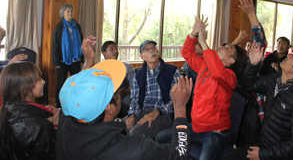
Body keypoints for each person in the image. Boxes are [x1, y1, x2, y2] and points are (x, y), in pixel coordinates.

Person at [56, 45, 192, 160]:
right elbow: (180, 154)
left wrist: (89, 61)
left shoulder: (64, 125)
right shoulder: (137, 148)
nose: (120, 94)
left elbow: (75, 94)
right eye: (115, 93)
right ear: (109, 108)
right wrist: (180, 107)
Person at [229, 44, 293, 160]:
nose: (288, 55)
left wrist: (263, 154)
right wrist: (253, 64)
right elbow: (249, 85)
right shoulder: (276, 79)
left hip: (278, 155)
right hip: (264, 145)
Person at [181, 16, 248, 160]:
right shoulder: (204, 65)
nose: (222, 46)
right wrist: (193, 34)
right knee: (162, 137)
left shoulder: (230, 77)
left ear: (231, 60)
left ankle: (226, 148)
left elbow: (218, 73)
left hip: (215, 133)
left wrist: (203, 42)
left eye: (227, 47)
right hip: (196, 128)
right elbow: (187, 53)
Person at [0, 62, 59, 160]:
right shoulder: (38, 126)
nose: (43, 82)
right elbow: (50, 154)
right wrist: (55, 127)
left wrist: (43, 114)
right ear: (25, 87)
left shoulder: (7, 107)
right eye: (39, 79)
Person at [125, 40, 181, 138]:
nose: (152, 51)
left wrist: (157, 111)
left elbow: (177, 100)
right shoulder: (138, 75)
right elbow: (135, 99)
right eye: (147, 49)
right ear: (142, 57)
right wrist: (132, 115)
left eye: (153, 48)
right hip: (143, 112)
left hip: (164, 114)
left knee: (135, 133)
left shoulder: (171, 71)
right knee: (120, 128)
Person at [52, 4, 83, 108]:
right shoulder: (59, 27)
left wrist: (82, 59)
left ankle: (76, 103)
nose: (70, 13)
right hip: (62, 61)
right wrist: (56, 62)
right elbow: (55, 45)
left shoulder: (77, 26)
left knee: (76, 83)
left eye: (71, 11)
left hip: (76, 60)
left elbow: (81, 43)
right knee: (61, 84)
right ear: (63, 13)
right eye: (67, 11)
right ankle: (59, 105)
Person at [101, 40, 135, 117]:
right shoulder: (100, 70)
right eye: (111, 49)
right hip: (104, 103)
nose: (115, 51)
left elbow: (135, 88)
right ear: (104, 53)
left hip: (123, 103)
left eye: (116, 48)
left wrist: (124, 92)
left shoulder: (127, 68)